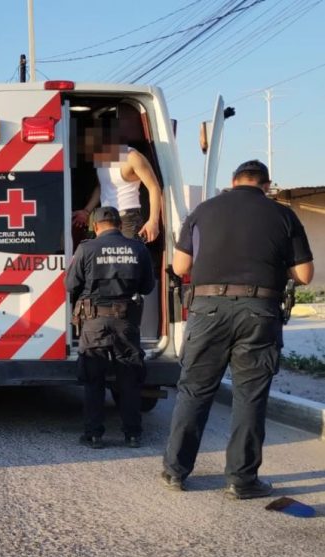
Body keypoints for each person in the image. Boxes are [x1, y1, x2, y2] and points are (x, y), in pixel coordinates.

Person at [161, 160, 314, 499]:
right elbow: (304, 275)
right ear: (267, 185)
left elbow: (180, 265)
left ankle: (175, 471)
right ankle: (241, 481)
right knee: (250, 396)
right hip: (259, 311)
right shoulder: (283, 215)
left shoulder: (203, 210)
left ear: (233, 182)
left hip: (208, 309)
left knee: (195, 391)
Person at [66, 206, 155, 449]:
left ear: (95, 226)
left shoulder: (86, 248)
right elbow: (147, 287)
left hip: (94, 322)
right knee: (129, 379)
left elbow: (71, 284)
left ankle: (94, 435)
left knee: (93, 379)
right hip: (126, 321)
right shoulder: (139, 249)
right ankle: (133, 435)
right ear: (118, 223)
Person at [73, 120, 163, 242]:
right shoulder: (100, 159)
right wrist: (86, 211)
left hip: (127, 219)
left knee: (126, 260)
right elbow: (101, 187)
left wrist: (153, 221)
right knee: (105, 260)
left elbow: (154, 188)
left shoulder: (132, 157)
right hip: (104, 218)